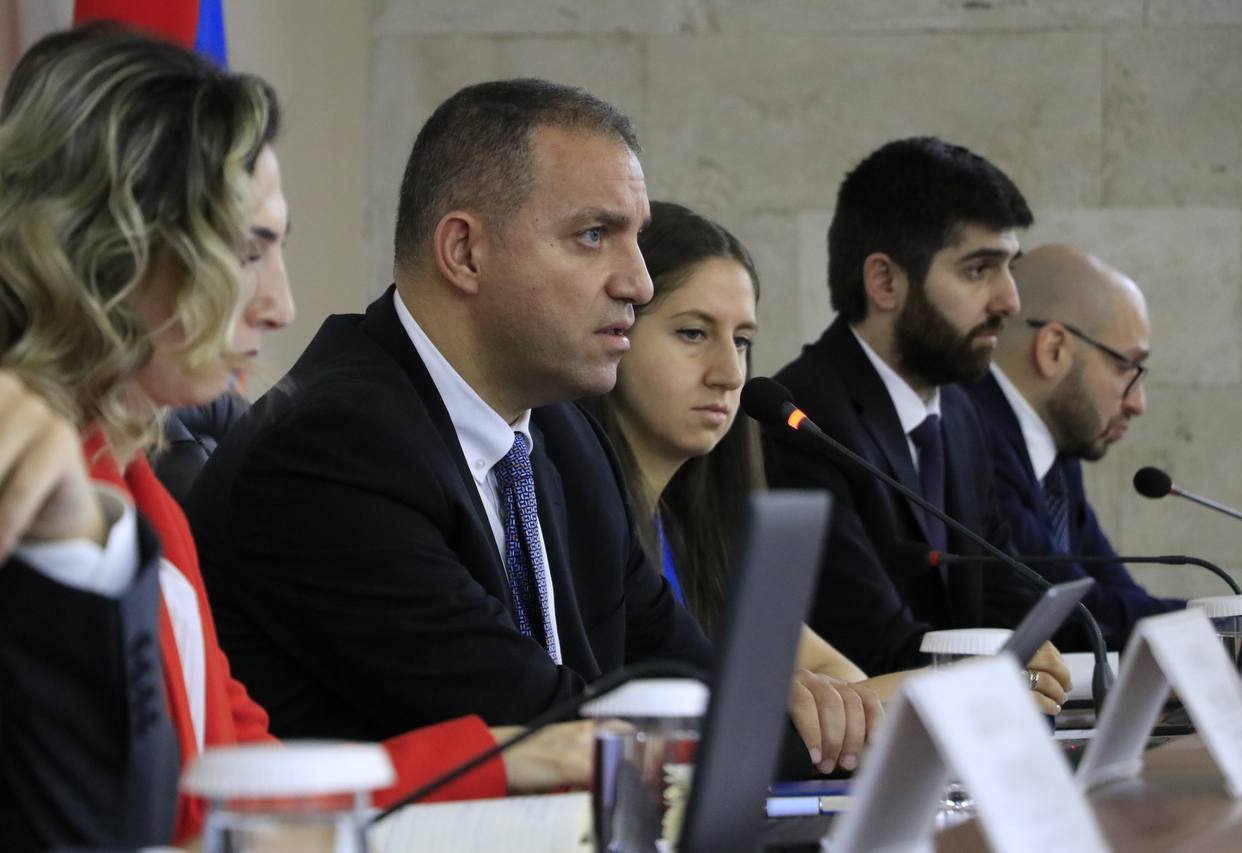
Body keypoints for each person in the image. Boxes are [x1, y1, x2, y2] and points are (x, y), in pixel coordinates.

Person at [0, 28, 592, 847]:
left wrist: (504, 755)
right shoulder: (47, 492)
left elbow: (247, 779)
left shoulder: (141, 492)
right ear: (110, 247)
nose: (279, 305)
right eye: (248, 250)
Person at [189, 79, 873, 777]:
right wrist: (812, 729)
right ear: (465, 252)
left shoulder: (565, 438)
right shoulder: (329, 452)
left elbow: (682, 674)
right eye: (593, 236)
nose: (638, 283)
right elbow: (541, 727)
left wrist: (786, 711)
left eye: (635, 240)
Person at [588, 201, 1069, 742]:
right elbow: (712, 725)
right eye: (693, 334)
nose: (729, 373)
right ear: (617, 331)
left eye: (741, 341)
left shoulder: (702, 529)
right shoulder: (582, 526)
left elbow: (841, 680)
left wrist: (967, 680)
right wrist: (963, 682)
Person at [762, 137, 1054, 681]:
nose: (1010, 301)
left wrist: (1043, 653)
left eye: (1009, 267)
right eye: (979, 270)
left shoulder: (960, 414)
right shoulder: (804, 421)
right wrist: (1009, 670)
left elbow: (1008, 595)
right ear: (885, 282)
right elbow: (870, 646)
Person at [966, 243, 1183, 649]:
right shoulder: (972, 438)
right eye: (1126, 366)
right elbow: (1070, 613)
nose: (1138, 403)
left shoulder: (1058, 452)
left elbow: (1112, 591)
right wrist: (1222, 626)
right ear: (1053, 349)